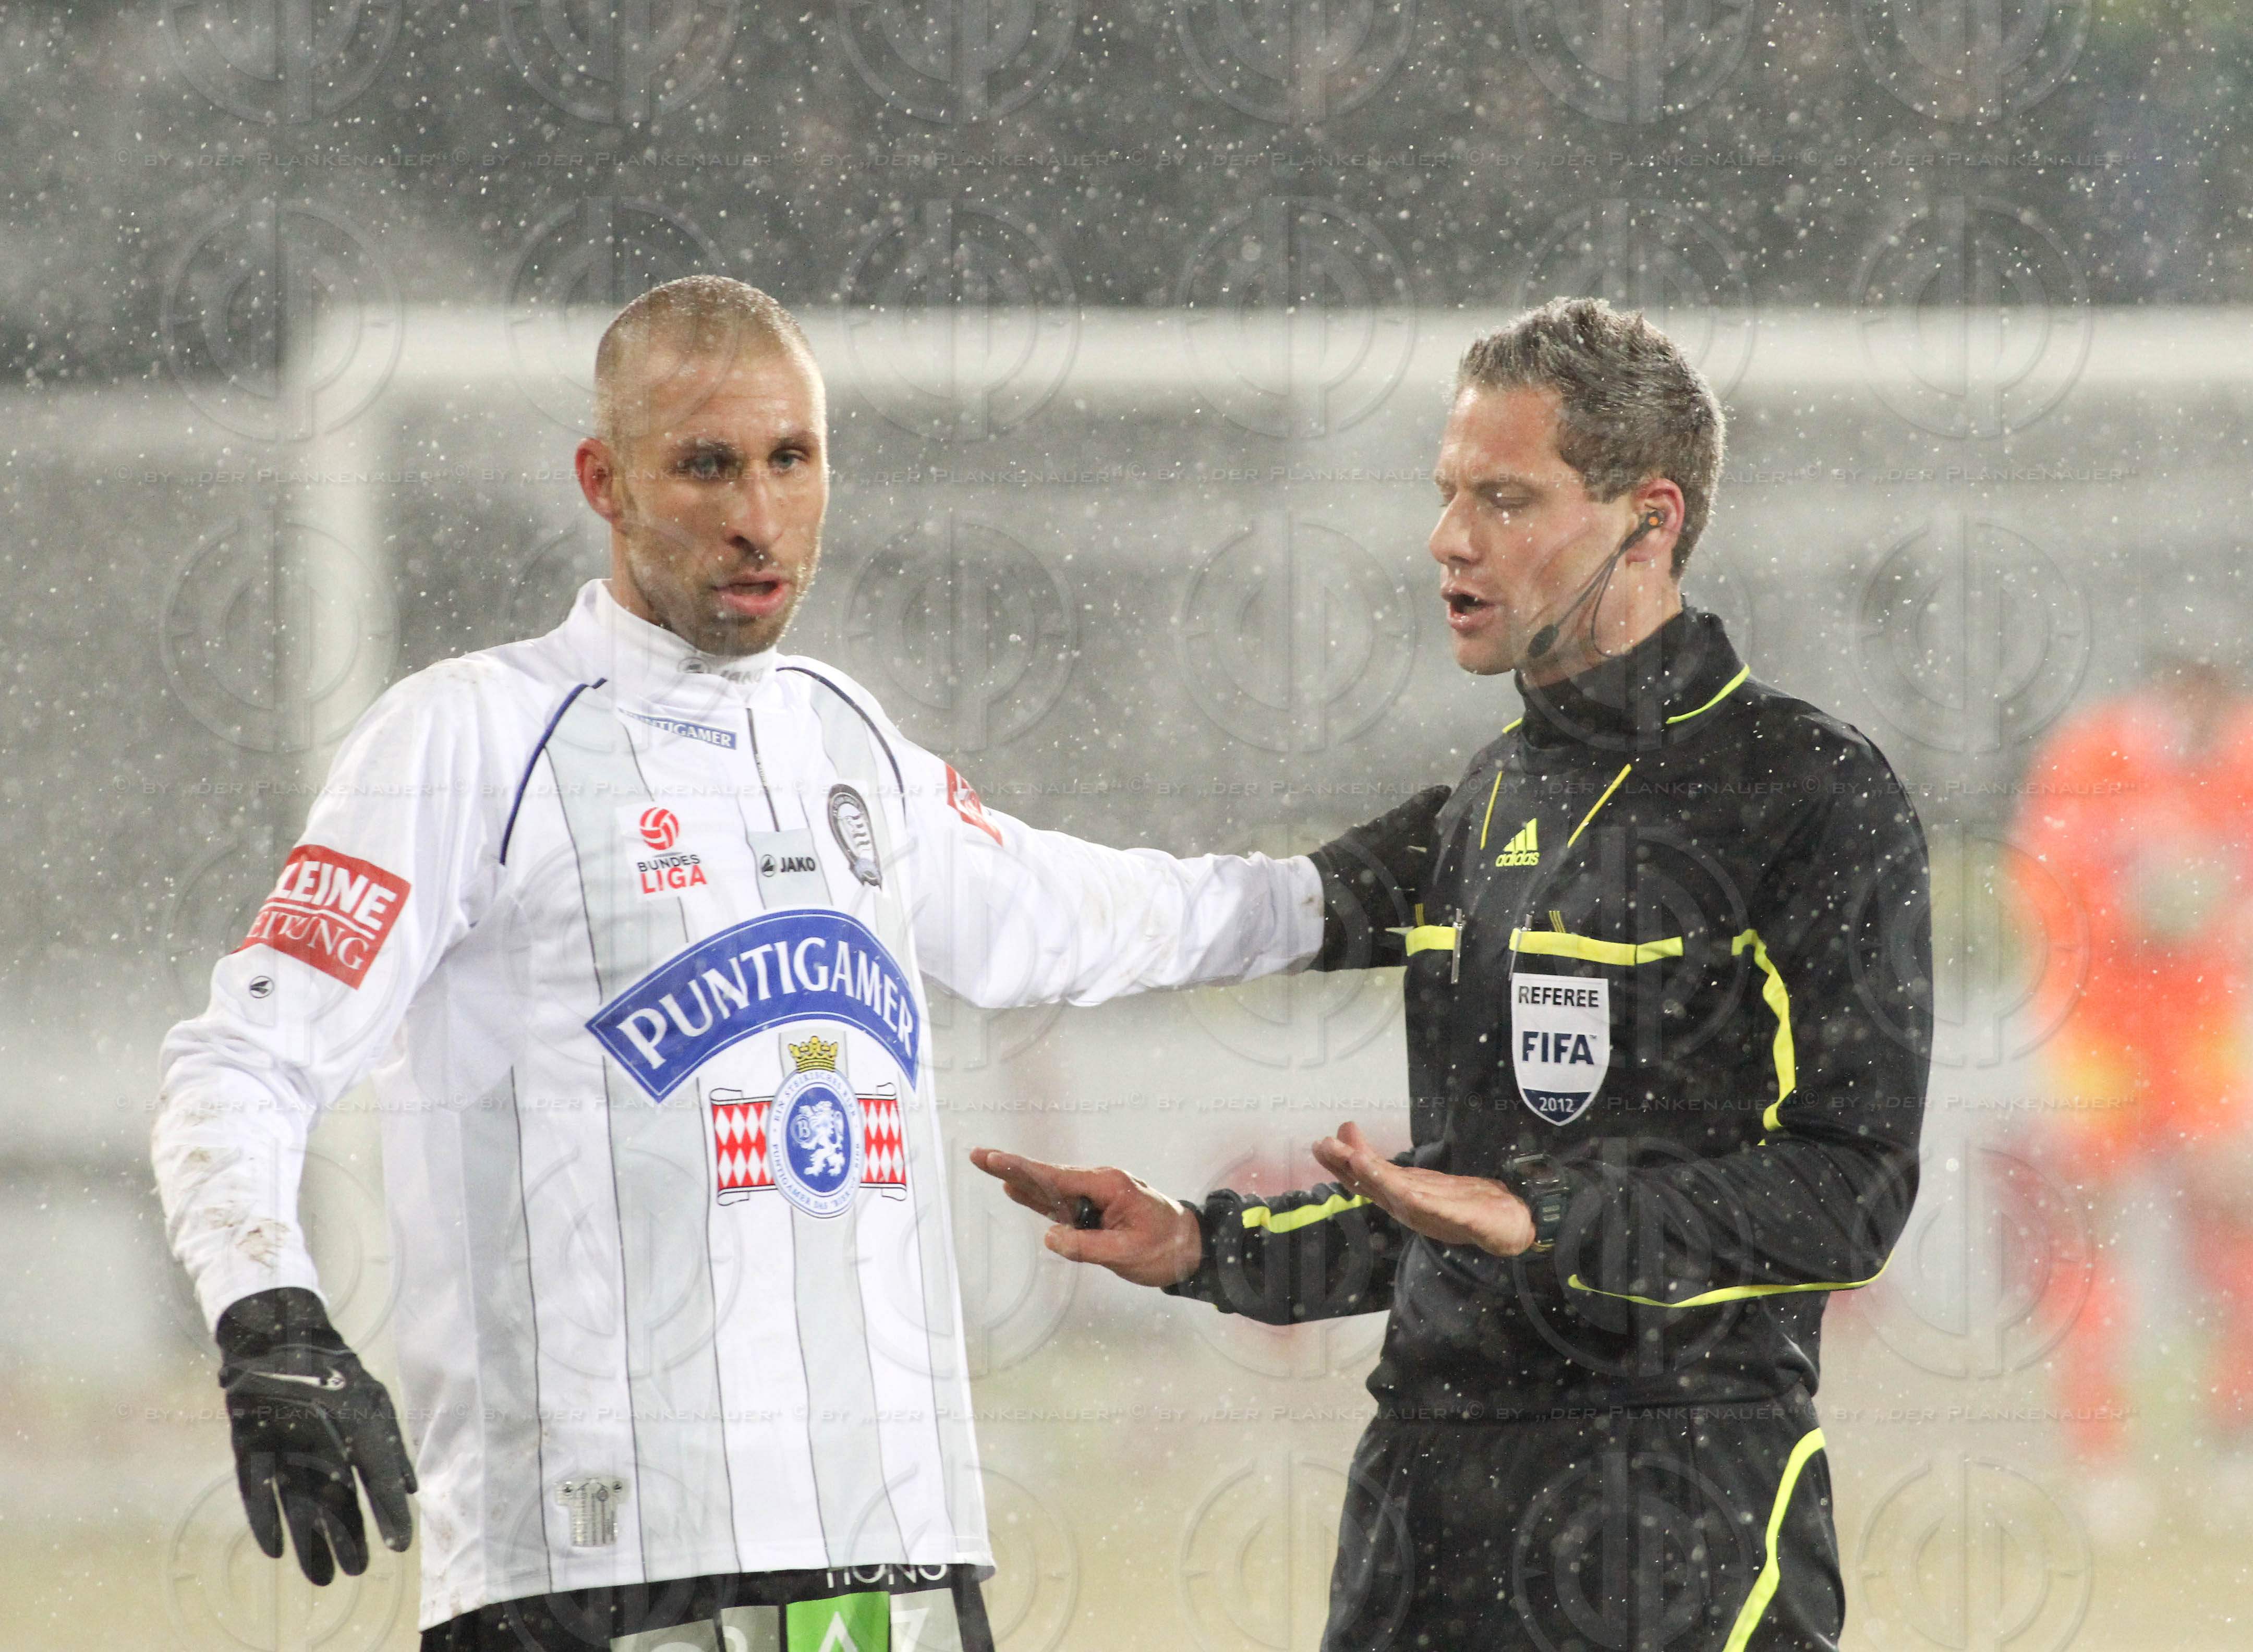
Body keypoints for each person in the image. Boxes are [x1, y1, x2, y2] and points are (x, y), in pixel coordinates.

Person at [150, 276, 1444, 1651]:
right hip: (595, 1567)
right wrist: (266, 1311)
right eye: (705, 465)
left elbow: (1068, 914)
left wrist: (1329, 901)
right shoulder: (467, 740)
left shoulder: (846, 744)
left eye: (791, 459)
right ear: (605, 479)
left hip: (888, 1560)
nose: (758, 516)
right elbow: (238, 1062)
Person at [975, 298, 1935, 1651]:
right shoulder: (1478, 805)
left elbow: (1852, 1193)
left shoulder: (1809, 792)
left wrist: (1549, 1218)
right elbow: (1450, 1202)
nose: (1448, 539)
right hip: (1426, 1490)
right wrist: (1207, 1246)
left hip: (1679, 1499)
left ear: (1648, 520)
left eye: (1505, 497)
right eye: (1445, 496)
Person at [2009, 626, 2253, 1537]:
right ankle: (2099, 1462)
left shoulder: (2243, 755)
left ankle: (2236, 1444)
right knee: (2090, 1234)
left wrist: (2219, 917)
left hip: (2201, 1027)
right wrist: (2131, 908)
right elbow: (2037, 886)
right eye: (2189, 690)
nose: (2203, 712)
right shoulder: (2090, 755)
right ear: (2161, 688)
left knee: (2234, 1227)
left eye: (2217, 692)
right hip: (2103, 1028)